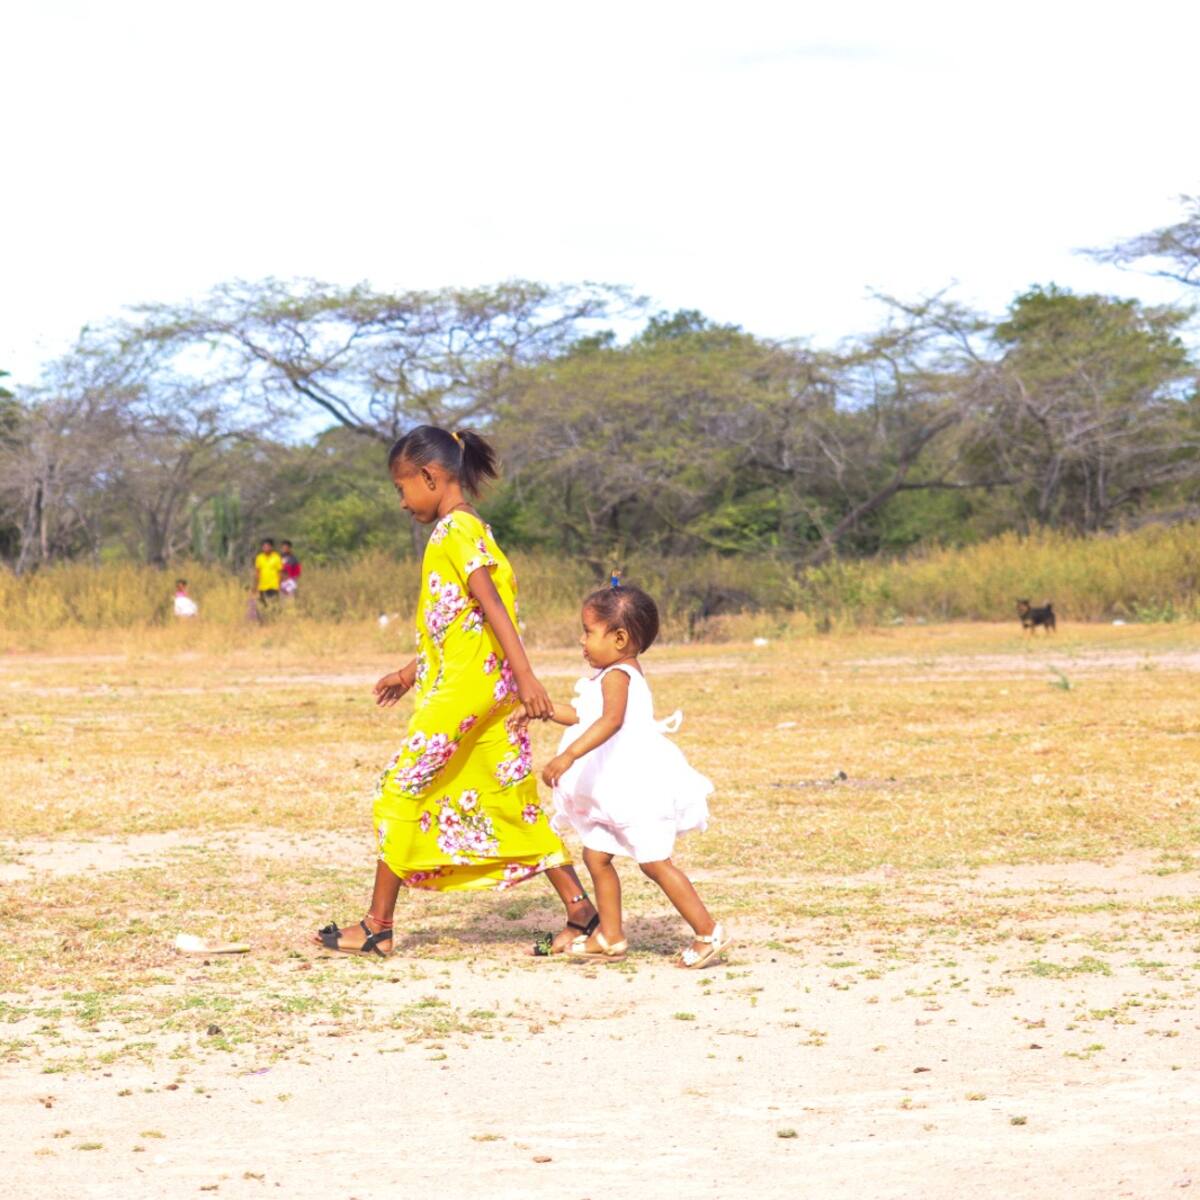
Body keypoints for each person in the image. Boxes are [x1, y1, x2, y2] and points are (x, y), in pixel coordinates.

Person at [314, 425, 598, 956]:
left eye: (402, 489)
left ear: (429, 476)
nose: (402, 502)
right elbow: (458, 627)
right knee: (511, 798)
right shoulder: (477, 530)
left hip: (465, 696)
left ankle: (377, 926)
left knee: (399, 791)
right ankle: (581, 912)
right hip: (494, 692)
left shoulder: (452, 533)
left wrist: (530, 675)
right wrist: (408, 672)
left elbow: (491, 606)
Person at [515, 585, 731, 968]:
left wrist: (568, 755)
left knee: (654, 863)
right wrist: (541, 711)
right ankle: (610, 936)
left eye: (587, 631)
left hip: (636, 788)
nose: (581, 640)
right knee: (596, 855)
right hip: (614, 789)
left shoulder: (619, 676)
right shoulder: (606, 676)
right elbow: (582, 714)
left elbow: (610, 721)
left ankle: (707, 931)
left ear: (619, 638)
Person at [253, 538, 283, 603]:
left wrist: (280, 585)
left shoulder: (276, 557)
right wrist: (255, 586)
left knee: (274, 605)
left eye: (267, 546)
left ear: (271, 547)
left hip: (274, 586)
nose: (265, 548)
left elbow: (280, 573)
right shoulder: (259, 557)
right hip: (262, 586)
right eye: (264, 547)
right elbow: (257, 573)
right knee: (263, 605)